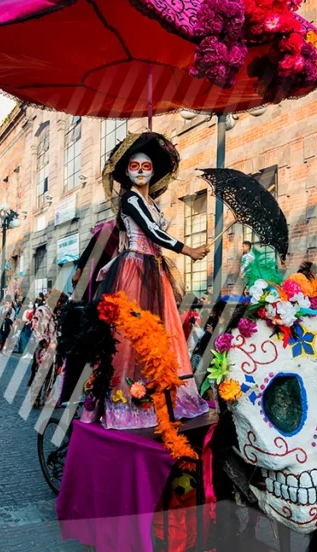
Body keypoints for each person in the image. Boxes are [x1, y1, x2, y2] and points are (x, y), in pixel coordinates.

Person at [84, 131, 210, 430]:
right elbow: (152, 232)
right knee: (130, 337)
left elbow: (155, 229)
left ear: (154, 172)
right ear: (126, 172)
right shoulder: (130, 199)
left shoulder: (151, 201)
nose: (140, 172)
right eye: (134, 166)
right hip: (134, 270)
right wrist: (188, 249)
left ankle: (165, 396)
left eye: (146, 167)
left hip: (154, 270)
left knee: (164, 333)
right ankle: (125, 400)